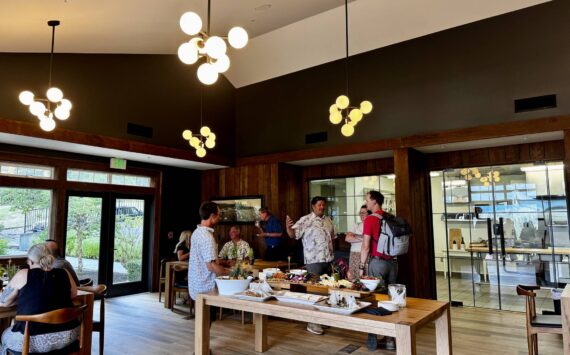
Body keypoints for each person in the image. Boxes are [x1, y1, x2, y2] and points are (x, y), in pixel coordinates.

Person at [0, 243, 79, 355]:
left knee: (4, 335)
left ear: (31, 261)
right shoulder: (64, 273)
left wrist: (19, 298)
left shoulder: (24, 274)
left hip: (33, 340)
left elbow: (3, 301)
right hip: (68, 335)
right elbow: (73, 294)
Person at [286, 196, 336, 335]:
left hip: (328, 260)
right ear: (313, 206)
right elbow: (293, 234)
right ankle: (312, 323)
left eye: (323, 205)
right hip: (313, 260)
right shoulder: (305, 220)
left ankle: (322, 320)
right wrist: (288, 227)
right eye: (319, 205)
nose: (322, 207)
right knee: (315, 292)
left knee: (327, 291)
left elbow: (332, 237)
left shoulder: (328, 220)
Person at [360, 190, 398, 351]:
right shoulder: (390, 217)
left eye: (367, 200)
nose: (366, 202)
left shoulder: (370, 219)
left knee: (376, 300)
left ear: (374, 201)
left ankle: (373, 337)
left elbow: (366, 246)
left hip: (378, 263)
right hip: (394, 263)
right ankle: (391, 338)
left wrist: (361, 267)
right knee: (391, 300)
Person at [188, 201, 229, 325]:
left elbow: (206, 258)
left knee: (203, 322)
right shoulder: (207, 237)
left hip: (196, 284)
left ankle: (202, 344)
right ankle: (202, 345)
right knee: (206, 322)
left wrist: (223, 263)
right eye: (219, 215)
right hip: (205, 287)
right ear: (212, 216)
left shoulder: (196, 232)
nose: (220, 217)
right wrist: (231, 273)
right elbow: (211, 266)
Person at [345, 205, 370, 280]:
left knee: (365, 278)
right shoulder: (356, 225)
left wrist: (355, 236)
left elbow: (371, 241)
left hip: (366, 255)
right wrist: (364, 238)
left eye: (364, 213)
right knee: (353, 279)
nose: (361, 215)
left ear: (369, 214)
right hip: (354, 255)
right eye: (360, 213)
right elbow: (347, 238)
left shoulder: (370, 225)